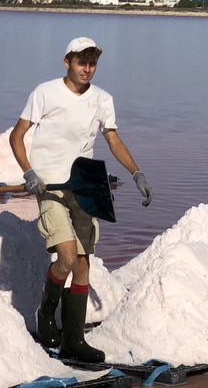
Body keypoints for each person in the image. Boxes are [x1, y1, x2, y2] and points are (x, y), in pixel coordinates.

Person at [9, 36, 153, 362]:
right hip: (50, 186)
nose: (87, 68)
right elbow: (18, 135)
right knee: (67, 255)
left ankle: (73, 341)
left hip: (86, 186)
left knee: (84, 265)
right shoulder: (44, 93)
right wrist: (29, 172)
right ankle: (46, 312)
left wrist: (136, 173)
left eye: (92, 63)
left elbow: (112, 139)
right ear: (67, 62)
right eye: (80, 62)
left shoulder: (102, 99)